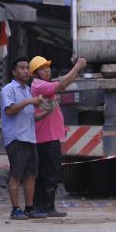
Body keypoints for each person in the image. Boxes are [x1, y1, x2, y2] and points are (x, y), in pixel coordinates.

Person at [29, 54, 87, 218]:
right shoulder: (39, 85)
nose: (47, 71)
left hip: (49, 137)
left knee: (50, 172)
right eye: (42, 69)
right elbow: (62, 85)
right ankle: (43, 206)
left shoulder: (42, 85)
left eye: (47, 68)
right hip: (45, 138)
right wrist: (77, 67)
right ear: (35, 73)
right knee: (48, 172)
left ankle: (46, 206)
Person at [0, 57, 44, 220]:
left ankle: (29, 208)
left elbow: (30, 117)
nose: (26, 71)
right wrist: (29, 101)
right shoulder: (8, 89)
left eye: (27, 68)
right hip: (16, 138)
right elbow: (10, 111)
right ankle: (15, 209)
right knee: (16, 175)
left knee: (31, 175)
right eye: (22, 68)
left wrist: (46, 112)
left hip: (30, 138)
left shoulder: (27, 90)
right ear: (14, 71)